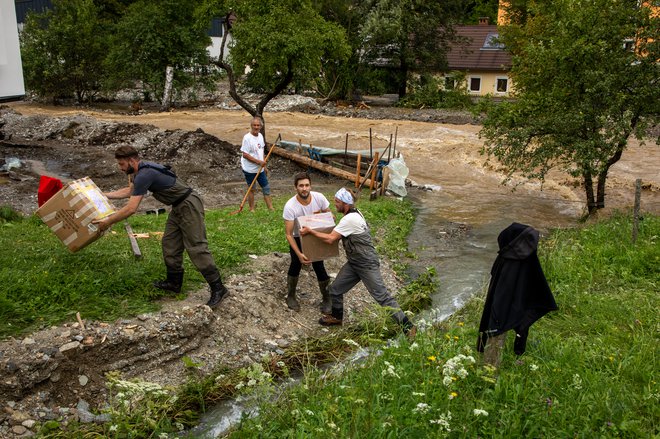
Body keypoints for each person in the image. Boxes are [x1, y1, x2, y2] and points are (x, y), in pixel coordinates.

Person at [93, 145, 229, 309]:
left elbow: (131, 208)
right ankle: (174, 283)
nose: (120, 168)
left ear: (131, 161)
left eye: (122, 164)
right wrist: (104, 195)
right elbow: (130, 191)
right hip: (178, 206)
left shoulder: (144, 174)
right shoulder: (141, 171)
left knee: (196, 247)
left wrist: (107, 222)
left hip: (188, 204)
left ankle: (218, 288)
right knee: (169, 243)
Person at [300, 187, 415, 336]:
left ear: (346, 204)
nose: (334, 204)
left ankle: (408, 327)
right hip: (355, 263)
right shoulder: (354, 213)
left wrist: (310, 231)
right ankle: (336, 317)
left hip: (366, 264)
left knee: (382, 296)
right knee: (335, 289)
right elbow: (333, 222)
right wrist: (319, 217)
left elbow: (330, 239)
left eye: (337, 201)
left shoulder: (350, 219)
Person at [282, 172, 333, 312]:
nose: (304, 188)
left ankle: (327, 298)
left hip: (315, 234)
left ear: (310, 186)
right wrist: (299, 254)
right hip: (298, 236)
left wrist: (324, 218)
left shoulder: (319, 198)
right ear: (295, 188)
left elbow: (329, 215)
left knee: (319, 264)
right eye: (301, 186)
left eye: (306, 185)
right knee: (295, 263)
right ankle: (291, 295)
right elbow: (288, 234)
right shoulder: (290, 206)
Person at [241, 116, 273, 211]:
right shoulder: (247, 138)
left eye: (258, 125)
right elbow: (245, 155)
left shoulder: (260, 136)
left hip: (260, 169)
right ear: (251, 126)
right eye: (254, 125)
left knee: (266, 187)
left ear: (260, 126)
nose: (256, 127)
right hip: (249, 169)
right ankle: (252, 209)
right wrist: (259, 162)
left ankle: (270, 208)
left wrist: (264, 166)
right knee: (252, 189)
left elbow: (261, 151)